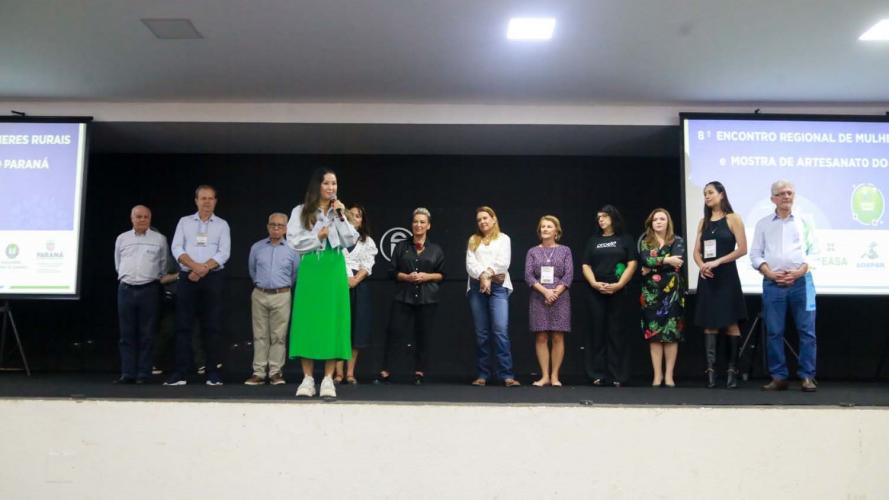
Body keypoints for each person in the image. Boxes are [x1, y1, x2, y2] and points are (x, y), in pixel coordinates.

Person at [286, 168, 358, 398]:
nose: (331, 187)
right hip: (311, 267)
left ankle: (328, 379)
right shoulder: (301, 211)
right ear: (317, 185)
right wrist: (317, 237)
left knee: (333, 322)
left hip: (334, 267)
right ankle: (307, 379)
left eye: (334, 183)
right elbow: (293, 241)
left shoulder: (340, 211)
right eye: (326, 183)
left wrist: (341, 215)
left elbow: (351, 239)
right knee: (307, 321)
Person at [750, 180, 818, 392]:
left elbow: (815, 251)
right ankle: (779, 377)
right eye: (782, 193)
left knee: (807, 332)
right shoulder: (763, 224)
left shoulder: (805, 221)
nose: (787, 196)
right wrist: (768, 272)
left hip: (802, 283)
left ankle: (807, 376)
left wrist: (801, 270)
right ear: (773, 199)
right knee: (774, 332)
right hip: (773, 283)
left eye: (790, 193)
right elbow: (755, 254)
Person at [165, 185, 231, 386]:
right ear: (196, 201)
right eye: (203, 198)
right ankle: (180, 373)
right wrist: (194, 267)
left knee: (212, 326)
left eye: (211, 198)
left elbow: (224, 252)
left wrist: (203, 269)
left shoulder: (222, 225)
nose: (207, 202)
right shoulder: (184, 222)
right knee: (183, 326)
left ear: (215, 201)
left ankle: (212, 372)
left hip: (212, 278)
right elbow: (177, 247)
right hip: (188, 278)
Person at [376, 207, 445, 385]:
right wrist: (406, 277)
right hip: (403, 296)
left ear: (428, 225)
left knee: (423, 335)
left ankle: (419, 371)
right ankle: (386, 370)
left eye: (422, 222)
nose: (418, 225)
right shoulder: (401, 246)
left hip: (427, 298)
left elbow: (442, 275)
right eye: (415, 221)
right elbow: (392, 272)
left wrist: (427, 276)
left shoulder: (436, 249)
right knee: (395, 332)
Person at [692, 181, 747, 389]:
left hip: (727, 276)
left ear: (721, 194)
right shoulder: (703, 222)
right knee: (710, 323)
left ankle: (732, 370)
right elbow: (696, 251)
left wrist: (718, 261)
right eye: (704, 193)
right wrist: (702, 265)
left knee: (731, 322)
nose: (707, 196)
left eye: (710, 192)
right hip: (708, 277)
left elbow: (742, 249)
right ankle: (711, 371)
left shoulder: (733, 218)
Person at [581, 204, 637, 387]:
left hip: (618, 290)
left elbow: (632, 263)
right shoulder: (593, 240)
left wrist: (619, 284)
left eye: (604, 216)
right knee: (596, 331)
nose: (601, 220)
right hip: (596, 290)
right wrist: (594, 283)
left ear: (613, 218)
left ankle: (617, 375)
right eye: (599, 217)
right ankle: (596, 373)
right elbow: (586, 265)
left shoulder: (625, 239)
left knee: (616, 332)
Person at [113, 205, 168, 384]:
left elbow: (163, 265)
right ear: (132, 218)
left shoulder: (159, 239)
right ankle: (127, 373)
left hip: (149, 290)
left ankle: (144, 374)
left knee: (147, 334)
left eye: (146, 217)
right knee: (126, 334)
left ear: (150, 219)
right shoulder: (122, 238)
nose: (142, 220)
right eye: (138, 217)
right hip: (126, 290)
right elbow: (118, 263)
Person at [467, 206, 520, 387]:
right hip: (477, 287)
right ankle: (483, 374)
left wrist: (488, 275)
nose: (482, 221)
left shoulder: (504, 238)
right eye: (479, 219)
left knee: (500, 330)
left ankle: (507, 375)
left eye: (485, 218)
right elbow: (470, 264)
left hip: (498, 287)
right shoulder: (473, 240)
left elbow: (503, 262)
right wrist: (483, 276)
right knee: (482, 333)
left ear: (494, 219)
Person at [245, 212, 299, 386]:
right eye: (273, 225)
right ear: (268, 226)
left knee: (279, 336)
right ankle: (259, 373)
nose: (276, 228)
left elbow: (295, 274)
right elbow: (252, 270)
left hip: (282, 295)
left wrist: (281, 287)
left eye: (280, 225)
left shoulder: (292, 249)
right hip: (259, 293)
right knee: (259, 335)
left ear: (286, 229)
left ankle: (275, 372)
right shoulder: (257, 247)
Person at [637, 208, 686, 387]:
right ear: (651, 223)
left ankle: (669, 376)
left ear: (668, 222)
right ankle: (657, 375)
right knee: (654, 334)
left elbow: (678, 261)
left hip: (672, 292)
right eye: (655, 219)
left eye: (662, 219)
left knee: (671, 334)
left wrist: (653, 266)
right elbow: (645, 260)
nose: (658, 222)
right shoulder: (645, 241)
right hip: (651, 293)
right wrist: (666, 260)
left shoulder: (677, 240)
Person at [524, 215, 573, 387]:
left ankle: (555, 376)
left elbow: (568, 275)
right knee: (541, 335)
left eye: (549, 226)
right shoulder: (532, 251)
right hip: (539, 295)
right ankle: (544, 376)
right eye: (543, 226)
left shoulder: (565, 250)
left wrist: (555, 293)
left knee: (558, 335)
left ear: (556, 231)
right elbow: (528, 276)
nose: (545, 229)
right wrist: (545, 292)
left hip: (560, 296)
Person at [334, 204, 378, 384]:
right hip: (337, 284)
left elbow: (367, 264)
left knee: (356, 329)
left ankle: (350, 373)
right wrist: (343, 279)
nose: (354, 218)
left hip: (358, 286)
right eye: (350, 214)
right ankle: (337, 373)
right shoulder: (336, 238)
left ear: (363, 221)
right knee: (338, 328)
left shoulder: (367, 242)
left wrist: (355, 280)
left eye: (358, 216)